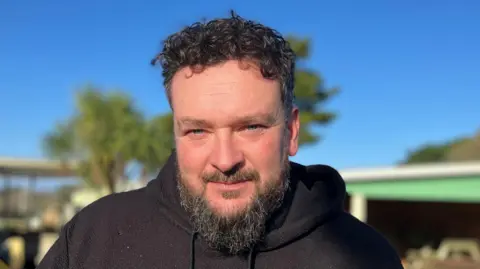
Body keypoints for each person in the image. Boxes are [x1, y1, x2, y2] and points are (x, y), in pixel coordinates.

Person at [37, 11, 404, 269]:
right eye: (198, 130)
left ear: (291, 132)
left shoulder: (365, 257)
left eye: (251, 127)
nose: (225, 160)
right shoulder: (93, 239)